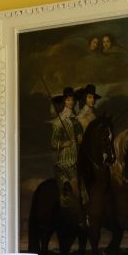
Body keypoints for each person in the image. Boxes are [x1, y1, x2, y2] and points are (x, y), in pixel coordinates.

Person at [50, 86, 86, 222]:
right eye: (68, 100)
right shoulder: (58, 122)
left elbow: (80, 137)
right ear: (64, 101)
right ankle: (78, 216)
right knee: (75, 188)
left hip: (77, 157)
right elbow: (54, 144)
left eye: (73, 100)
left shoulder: (75, 119)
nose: (71, 102)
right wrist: (65, 143)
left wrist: (80, 139)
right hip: (66, 160)